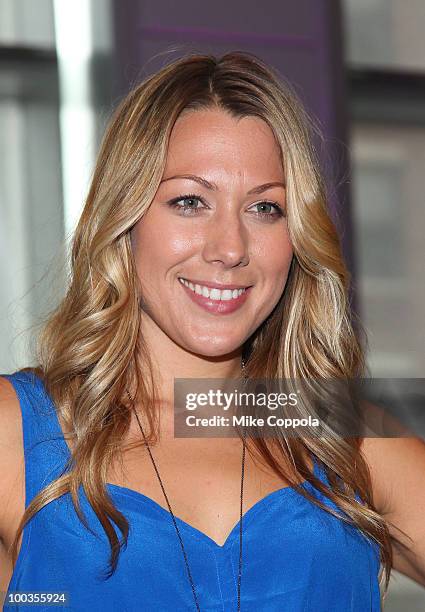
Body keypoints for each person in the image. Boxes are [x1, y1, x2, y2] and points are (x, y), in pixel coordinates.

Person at [0, 51, 424, 612]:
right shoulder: (17, 431)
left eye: (266, 208)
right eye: (190, 201)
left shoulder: (337, 429)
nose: (230, 248)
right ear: (124, 221)